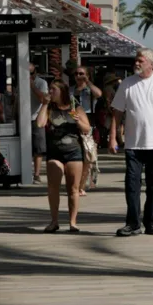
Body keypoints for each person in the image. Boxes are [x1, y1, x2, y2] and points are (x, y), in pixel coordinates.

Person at [110, 47, 153, 236]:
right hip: (133, 144)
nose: (137, 63)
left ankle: (152, 223)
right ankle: (133, 223)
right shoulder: (127, 83)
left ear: (150, 63)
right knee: (132, 184)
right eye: (136, 60)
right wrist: (113, 136)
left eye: (140, 60)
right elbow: (117, 112)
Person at [37, 79, 91, 232]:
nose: (50, 92)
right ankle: (54, 221)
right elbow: (40, 124)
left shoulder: (74, 107)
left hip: (74, 151)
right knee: (53, 187)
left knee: (73, 189)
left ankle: (73, 222)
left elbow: (87, 129)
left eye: (53, 89)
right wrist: (45, 104)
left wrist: (78, 121)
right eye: (49, 89)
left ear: (62, 91)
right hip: (54, 152)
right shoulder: (49, 108)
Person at [72, 66, 102, 193]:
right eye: (76, 74)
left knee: (88, 158)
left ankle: (81, 186)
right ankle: (76, 185)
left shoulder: (90, 90)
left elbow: (99, 94)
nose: (79, 76)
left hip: (89, 123)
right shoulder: (70, 90)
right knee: (77, 157)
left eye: (82, 74)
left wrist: (87, 82)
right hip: (74, 123)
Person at [29, 62, 49, 184]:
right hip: (23, 119)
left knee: (38, 147)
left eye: (30, 73)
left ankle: (36, 174)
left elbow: (43, 99)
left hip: (37, 118)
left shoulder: (41, 83)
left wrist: (32, 86)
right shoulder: (20, 82)